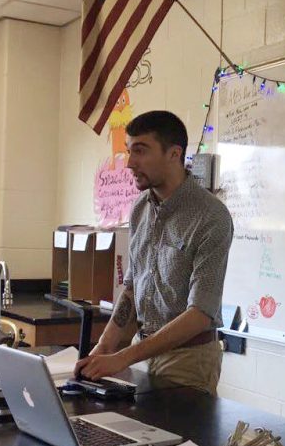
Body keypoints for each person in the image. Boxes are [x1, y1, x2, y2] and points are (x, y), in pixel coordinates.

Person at [75, 110, 233, 395]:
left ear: (174, 154)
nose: (130, 163)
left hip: (188, 359)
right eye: (129, 151)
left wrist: (123, 357)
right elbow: (133, 289)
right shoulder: (140, 209)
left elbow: (200, 313)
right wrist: (103, 348)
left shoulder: (211, 216)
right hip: (142, 351)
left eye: (140, 151)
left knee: (174, 438)